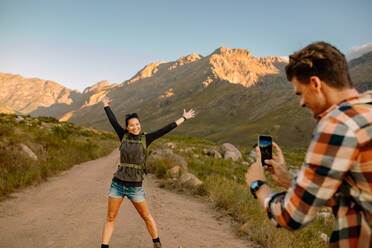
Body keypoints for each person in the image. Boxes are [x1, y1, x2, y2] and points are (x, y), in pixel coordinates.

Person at [245, 42, 372, 247]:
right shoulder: (366, 113)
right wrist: (288, 181)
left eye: (300, 93)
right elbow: (352, 194)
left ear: (315, 83)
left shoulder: (338, 124)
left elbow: (291, 217)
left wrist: (258, 184)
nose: (301, 103)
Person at [100, 96, 196, 248]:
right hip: (117, 185)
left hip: (135, 188)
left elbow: (165, 129)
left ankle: (157, 244)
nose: (135, 127)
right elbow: (112, 121)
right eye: (131, 125)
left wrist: (183, 118)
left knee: (146, 216)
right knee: (110, 218)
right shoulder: (123, 136)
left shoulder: (146, 138)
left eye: (137, 124)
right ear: (127, 127)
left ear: (140, 124)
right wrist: (106, 105)